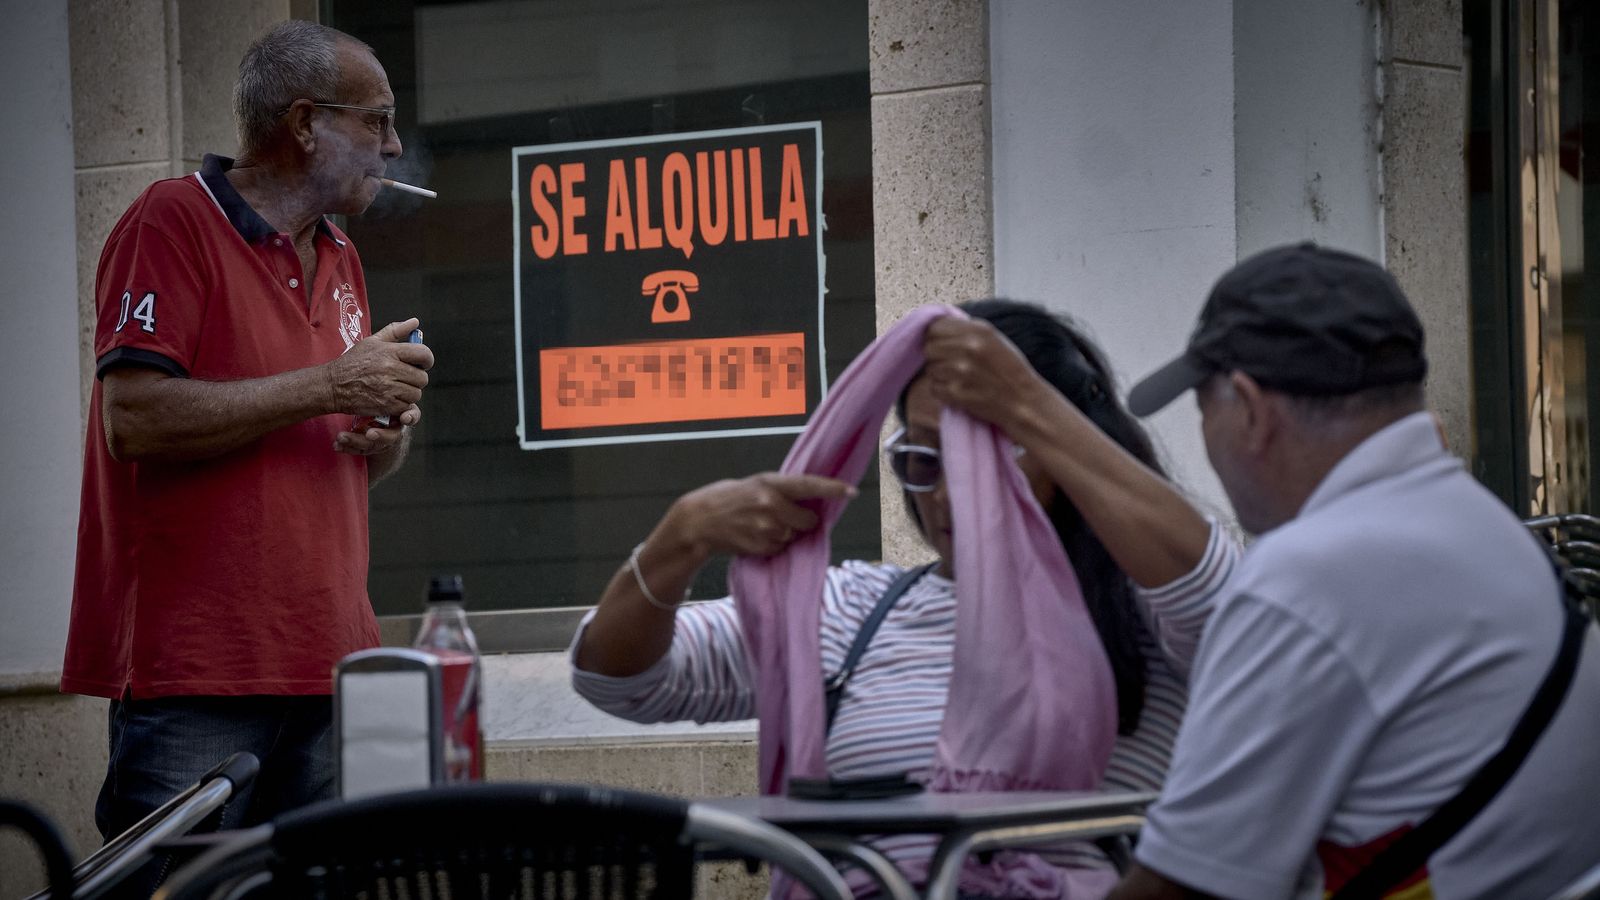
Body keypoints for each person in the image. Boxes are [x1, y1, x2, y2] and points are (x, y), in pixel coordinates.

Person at [572, 299, 1237, 893]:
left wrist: (1027, 405)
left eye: (989, 460)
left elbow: (1218, 597)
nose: (949, 495)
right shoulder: (851, 609)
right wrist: (679, 539)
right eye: (923, 461)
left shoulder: (1141, 606)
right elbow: (618, 679)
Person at [1106, 243, 1600, 899]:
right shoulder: (1490, 529)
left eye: (1203, 410)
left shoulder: (1301, 581)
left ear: (1249, 409)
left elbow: (1183, 888)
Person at [59, 19, 435, 858]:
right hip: (202, 672)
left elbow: (329, 457)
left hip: (331, 659)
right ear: (305, 124)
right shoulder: (172, 222)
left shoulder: (341, 253)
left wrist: (383, 430)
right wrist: (332, 385)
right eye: (376, 121)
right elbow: (134, 419)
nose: (392, 146)